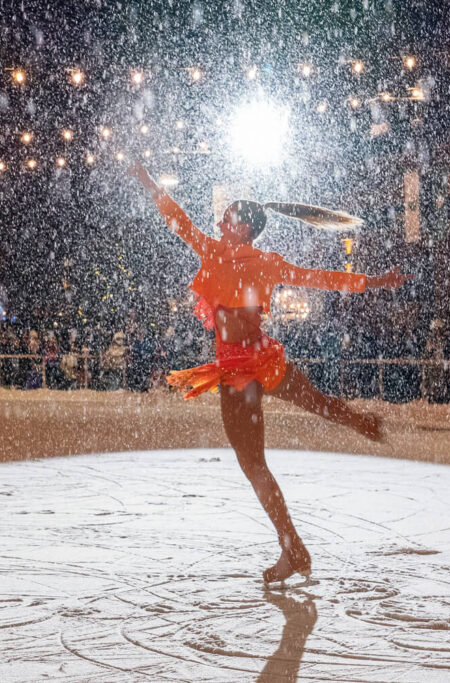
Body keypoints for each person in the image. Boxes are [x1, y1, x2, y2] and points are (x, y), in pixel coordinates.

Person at [130, 161, 409, 585]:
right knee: (310, 408)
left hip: (239, 371)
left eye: (230, 215)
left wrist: (150, 183)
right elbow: (320, 279)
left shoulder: (215, 252)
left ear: (243, 228)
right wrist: (371, 282)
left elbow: (179, 221)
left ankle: (293, 546)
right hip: (264, 359)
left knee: (254, 465)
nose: (222, 218)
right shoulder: (262, 261)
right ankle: (358, 423)